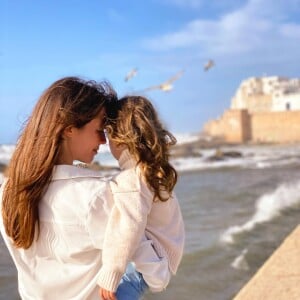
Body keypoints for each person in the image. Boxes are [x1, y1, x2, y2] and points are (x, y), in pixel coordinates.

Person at [0, 76, 158, 300]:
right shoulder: (95, 195)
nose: (104, 141)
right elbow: (150, 265)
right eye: (100, 129)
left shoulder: (7, 193)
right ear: (69, 129)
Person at [97, 96, 185, 300]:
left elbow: (128, 227)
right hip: (157, 262)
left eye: (108, 135)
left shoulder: (131, 180)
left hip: (137, 271)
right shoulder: (151, 170)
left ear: (119, 138)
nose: (105, 143)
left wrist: (111, 272)